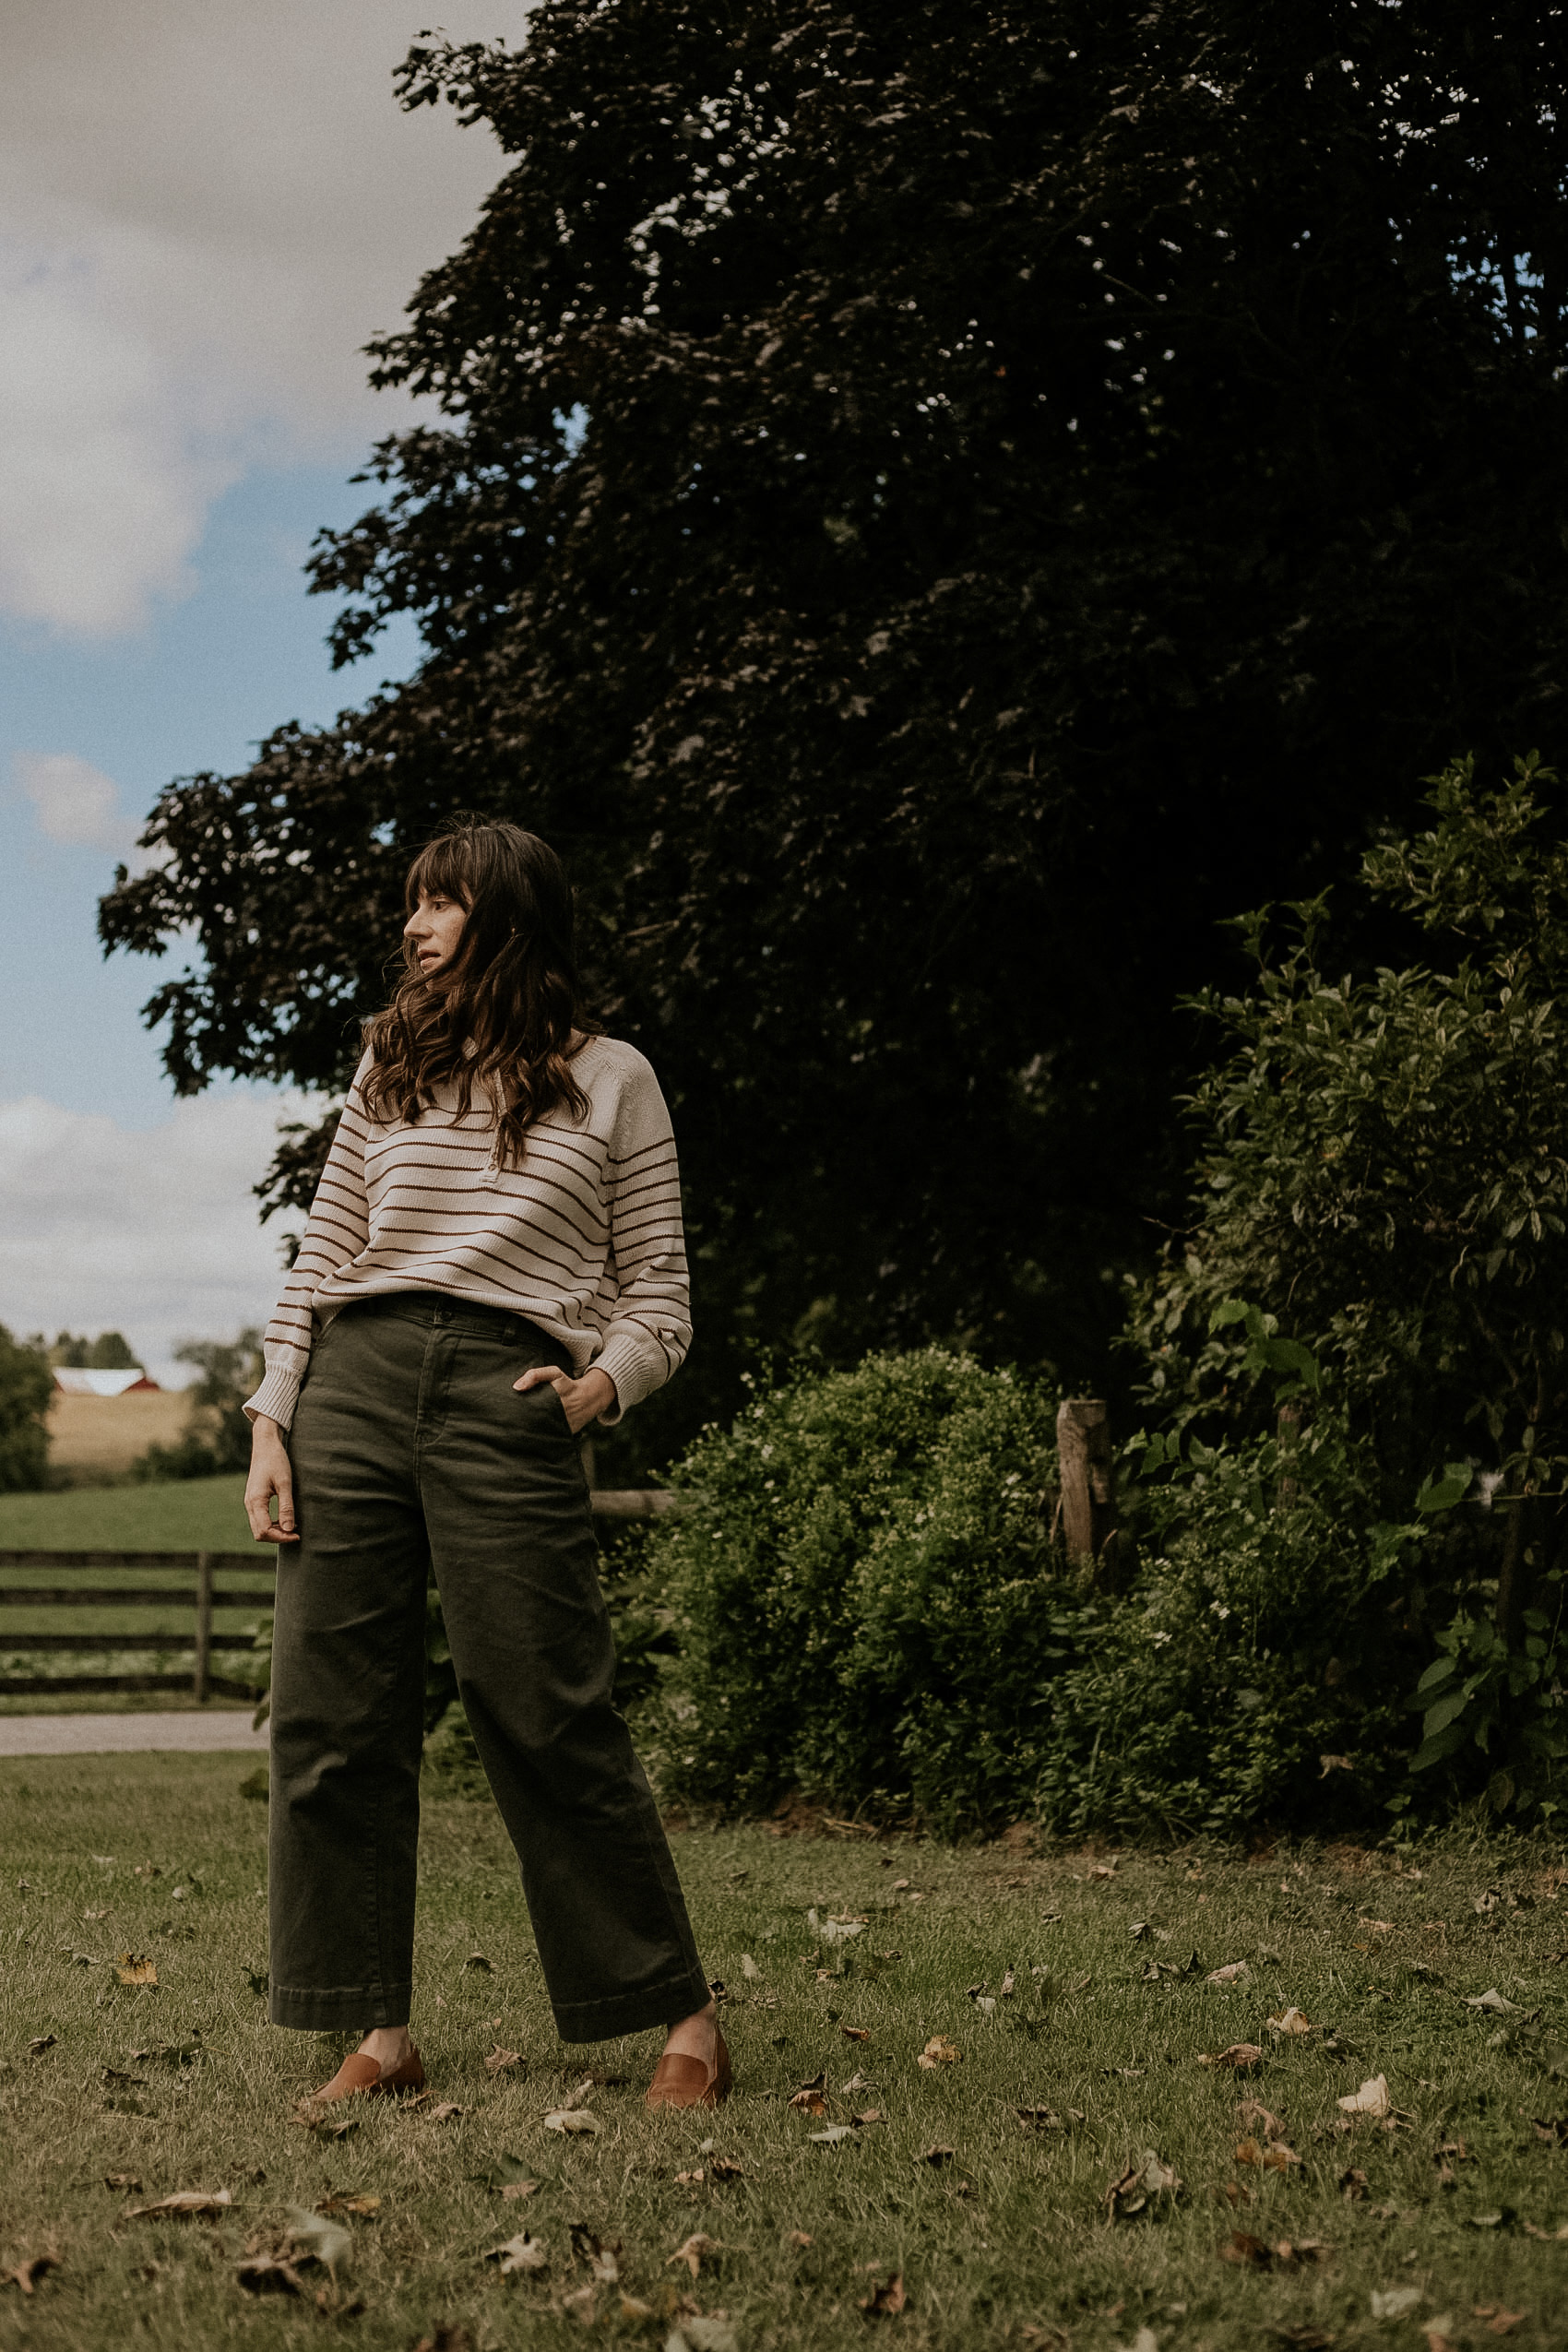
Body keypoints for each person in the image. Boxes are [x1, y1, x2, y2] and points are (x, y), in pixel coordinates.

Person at [242, 817, 728, 2112]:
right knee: (332, 1718)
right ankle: (378, 2029)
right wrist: (273, 1414)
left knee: (546, 1708)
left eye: (443, 901)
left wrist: (600, 1385)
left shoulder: (614, 1078)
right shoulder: (389, 1065)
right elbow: (323, 1251)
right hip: (352, 1384)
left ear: (509, 916)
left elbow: (660, 1291)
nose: (415, 925)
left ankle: (682, 2013)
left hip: (508, 1390)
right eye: (413, 903)